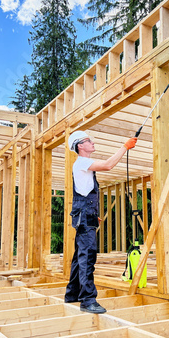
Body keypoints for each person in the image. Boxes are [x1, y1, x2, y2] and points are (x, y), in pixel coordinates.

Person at [65, 130, 137, 314]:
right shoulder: (82, 162)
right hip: (84, 215)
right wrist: (124, 147)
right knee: (87, 256)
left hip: (85, 215)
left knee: (79, 256)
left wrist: (92, 213)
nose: (93, 142)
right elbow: (108, 165)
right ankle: (87, 300)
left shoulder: (83, 164)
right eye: (88, 141)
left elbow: (85, 192)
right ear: (80, 146)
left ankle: (72, 294)